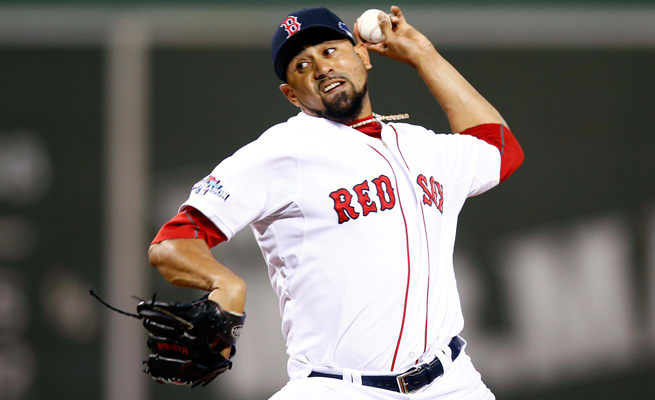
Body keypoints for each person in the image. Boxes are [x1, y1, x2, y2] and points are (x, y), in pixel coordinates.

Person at [148, 5, 523, 399]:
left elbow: (501, 149)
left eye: (329, 51)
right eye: (302, 65)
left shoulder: (421, 146)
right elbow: (172, 243)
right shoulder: (281, 152)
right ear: (291, 94)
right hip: (337, 387)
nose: (321, 68)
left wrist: (422, 54)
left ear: (362, 56)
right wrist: (224, 282)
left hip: (451, 383)